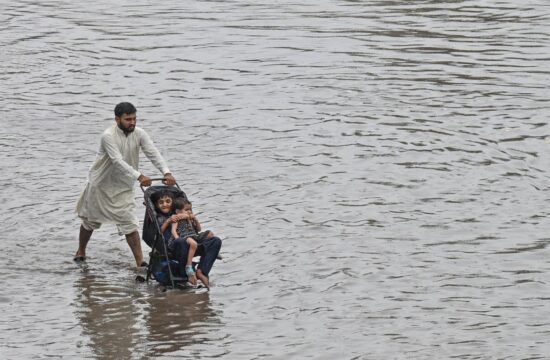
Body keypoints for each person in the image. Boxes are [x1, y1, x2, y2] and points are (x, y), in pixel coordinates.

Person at [74, 101, 176, 267]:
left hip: (123, 186)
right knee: (90, 221)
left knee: (129, 223)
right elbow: (116, 161)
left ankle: (140, 262)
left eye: (134, 118)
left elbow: (152, 152)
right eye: (128, 119)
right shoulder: (108, 136)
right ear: (117, 119)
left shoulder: (140, 133)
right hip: (101, 185)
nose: (133, 122)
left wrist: (166, 171)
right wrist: (139, 176)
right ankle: (81, 251)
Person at [154, 192, 222, 288]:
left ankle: (201, 271)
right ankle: (186, 272)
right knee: (181, 241)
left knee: (215, 240)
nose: (165, 204)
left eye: (168, 201)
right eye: (161, 203)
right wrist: (169, 220)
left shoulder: (186, 215)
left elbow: (197, 230)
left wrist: (193, 218)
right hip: (176, 247)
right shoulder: (162, 217)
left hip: (192, 243)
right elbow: (160, 232)